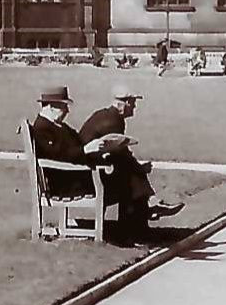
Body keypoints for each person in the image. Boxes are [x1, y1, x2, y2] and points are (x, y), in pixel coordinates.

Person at [78, 82, 185, 237]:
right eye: (133, 103)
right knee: (130, 176)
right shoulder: (112, 121)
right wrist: (139, 168)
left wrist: (137, 167)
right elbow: (119, 152)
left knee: (129, 174)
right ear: (125, 103)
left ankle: (140, 222)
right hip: (88, 175)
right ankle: (145, 214)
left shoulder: (108, 115)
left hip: (93, 168)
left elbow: (118, 151)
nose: (134, 107)